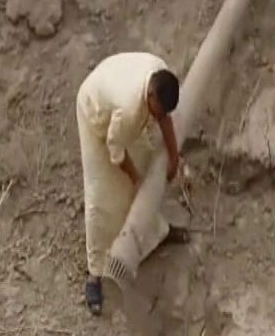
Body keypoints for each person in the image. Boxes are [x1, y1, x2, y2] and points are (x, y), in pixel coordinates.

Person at [75, 52, 190, 316]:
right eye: (158, 110)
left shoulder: (159, 76)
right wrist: (135, 180)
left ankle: (157, 233)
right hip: (94, 114)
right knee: (102, 196)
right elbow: (115, 151)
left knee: (146, 167)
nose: (160, 116)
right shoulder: (128, 110)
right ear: (150, 96)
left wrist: (174, 156)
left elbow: (164, 118)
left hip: (117, 102)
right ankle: (95, 275)